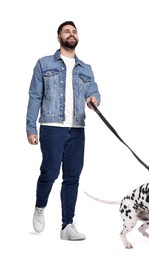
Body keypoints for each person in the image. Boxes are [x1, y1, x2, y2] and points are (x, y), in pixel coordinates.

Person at [26, 21, 101, 240]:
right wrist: (31, 126)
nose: (71, 34)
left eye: (74, 31)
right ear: (58, 37)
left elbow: (94, 89)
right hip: (51, 127)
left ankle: (67, 225)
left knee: (72, 177)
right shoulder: (44, 63)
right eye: (67, 31)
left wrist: (94, 98)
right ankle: (40, 206)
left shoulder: (85, 68)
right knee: (49, 173)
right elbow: (35, 96)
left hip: (77, 129)